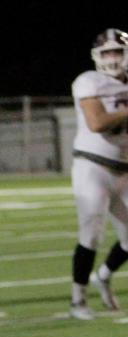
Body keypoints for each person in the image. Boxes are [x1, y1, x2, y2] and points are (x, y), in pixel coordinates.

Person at [68, 28, 128, 320]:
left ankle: (103, 276)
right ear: (96, 57)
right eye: (107, 53)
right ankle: (78, 300)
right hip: (93, 167)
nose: (113, 58)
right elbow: (97, 122)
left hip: (125, 170)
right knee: (91, 234)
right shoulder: (89, 81)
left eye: (118, 51)